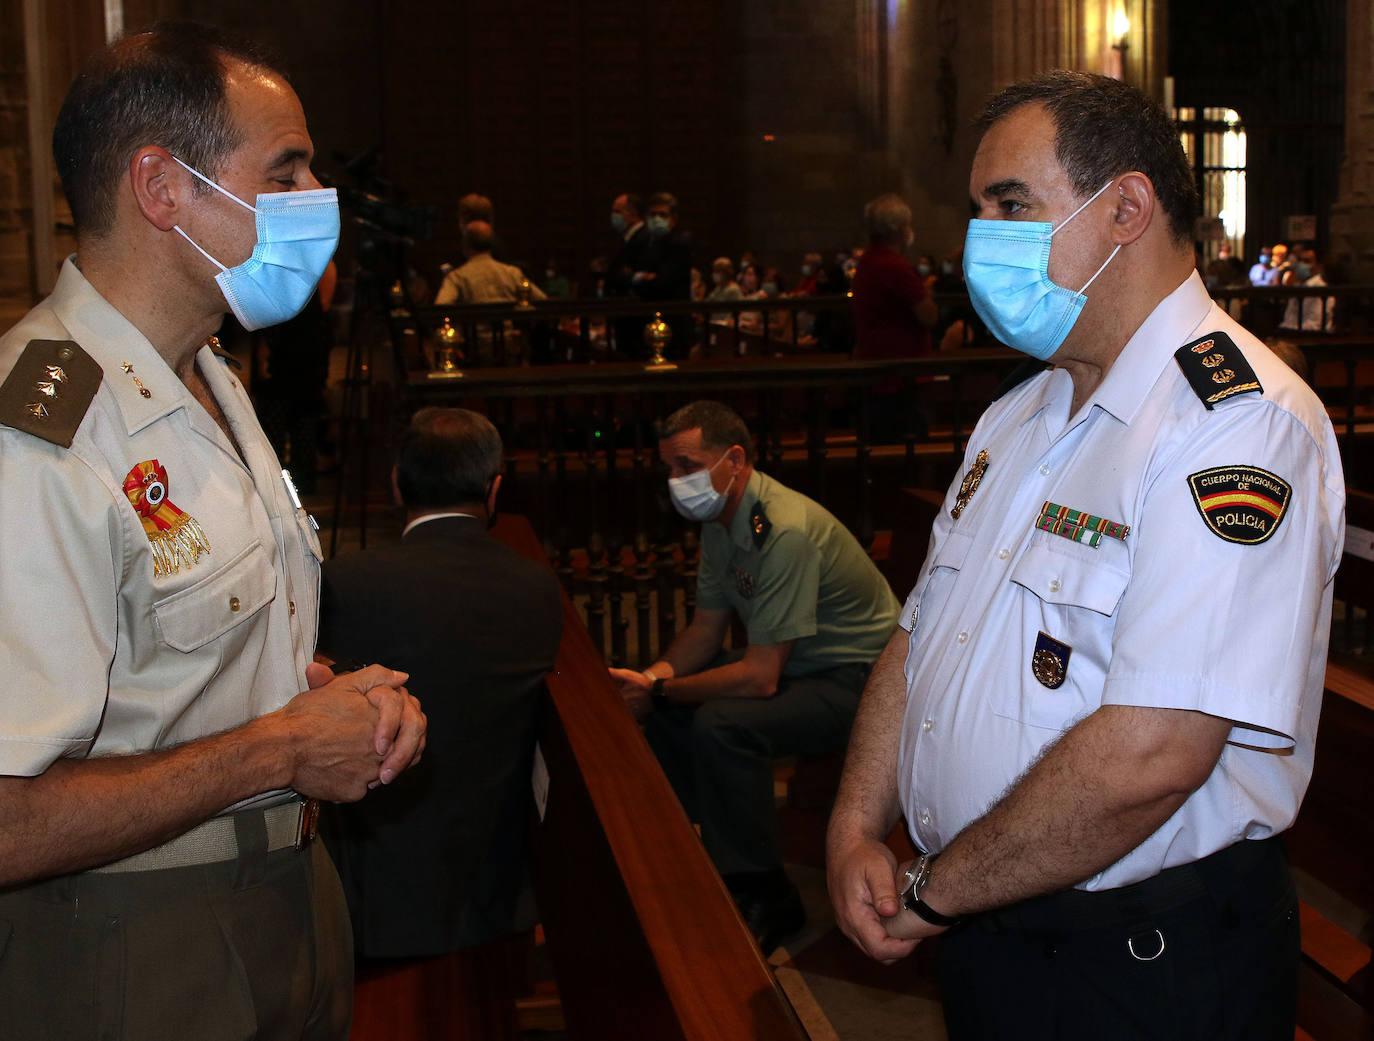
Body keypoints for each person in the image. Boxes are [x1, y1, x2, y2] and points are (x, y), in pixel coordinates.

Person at [827, 70, 1343, 1041]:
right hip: (989, 915)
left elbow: (1153, 755)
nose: (980, 238)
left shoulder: (1236, 428)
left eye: (1011, 205)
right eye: (977, 209)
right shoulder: (1018, 413)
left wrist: (936, 888)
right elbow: (923, 632)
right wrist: (860, 824)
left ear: (1126, 208)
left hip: (1145, 961)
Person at [0, 22, 426, 1039]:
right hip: (138, 937)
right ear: (163, 188)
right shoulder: (40, 435)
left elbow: (161, 648)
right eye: (284, 170)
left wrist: (303, 690)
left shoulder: (207, 375)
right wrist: (279, 746)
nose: (315, 196)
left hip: (281, 892)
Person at [610, 401, 899, 953]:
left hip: (865, 683)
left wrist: (662, 691)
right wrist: (647, 681)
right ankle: (700, 860)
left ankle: (767, 894)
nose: (675, 481)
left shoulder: (783, 530)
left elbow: (761, 678)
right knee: (674, 716)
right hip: (806, 667)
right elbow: (704, 630)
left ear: (733, 459)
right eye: (669, 468)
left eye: (686, 465)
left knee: (724, 725)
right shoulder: (722, 520)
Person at [319, 408, 562, 959]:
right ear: (494, 489)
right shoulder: (536, 587)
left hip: (375, 888)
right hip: (499, 875)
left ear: (398, 485)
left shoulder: (347, 584)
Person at [851, 194, 938, 361]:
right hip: (900, 367)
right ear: (898, 229)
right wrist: (927, 295)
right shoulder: (893, 266)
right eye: (907, 225)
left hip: (878, 358)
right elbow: (929, 316)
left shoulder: (868, 260)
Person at [1279, 248, 1336, 332]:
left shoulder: (1321, 289)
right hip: (1292, 334)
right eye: (1299, 260)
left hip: (1313, 338)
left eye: (1307, 261)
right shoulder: (1297, 286)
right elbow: (1289, 319)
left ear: (1318, 266)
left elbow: (1314, 324)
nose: (1301, 264)